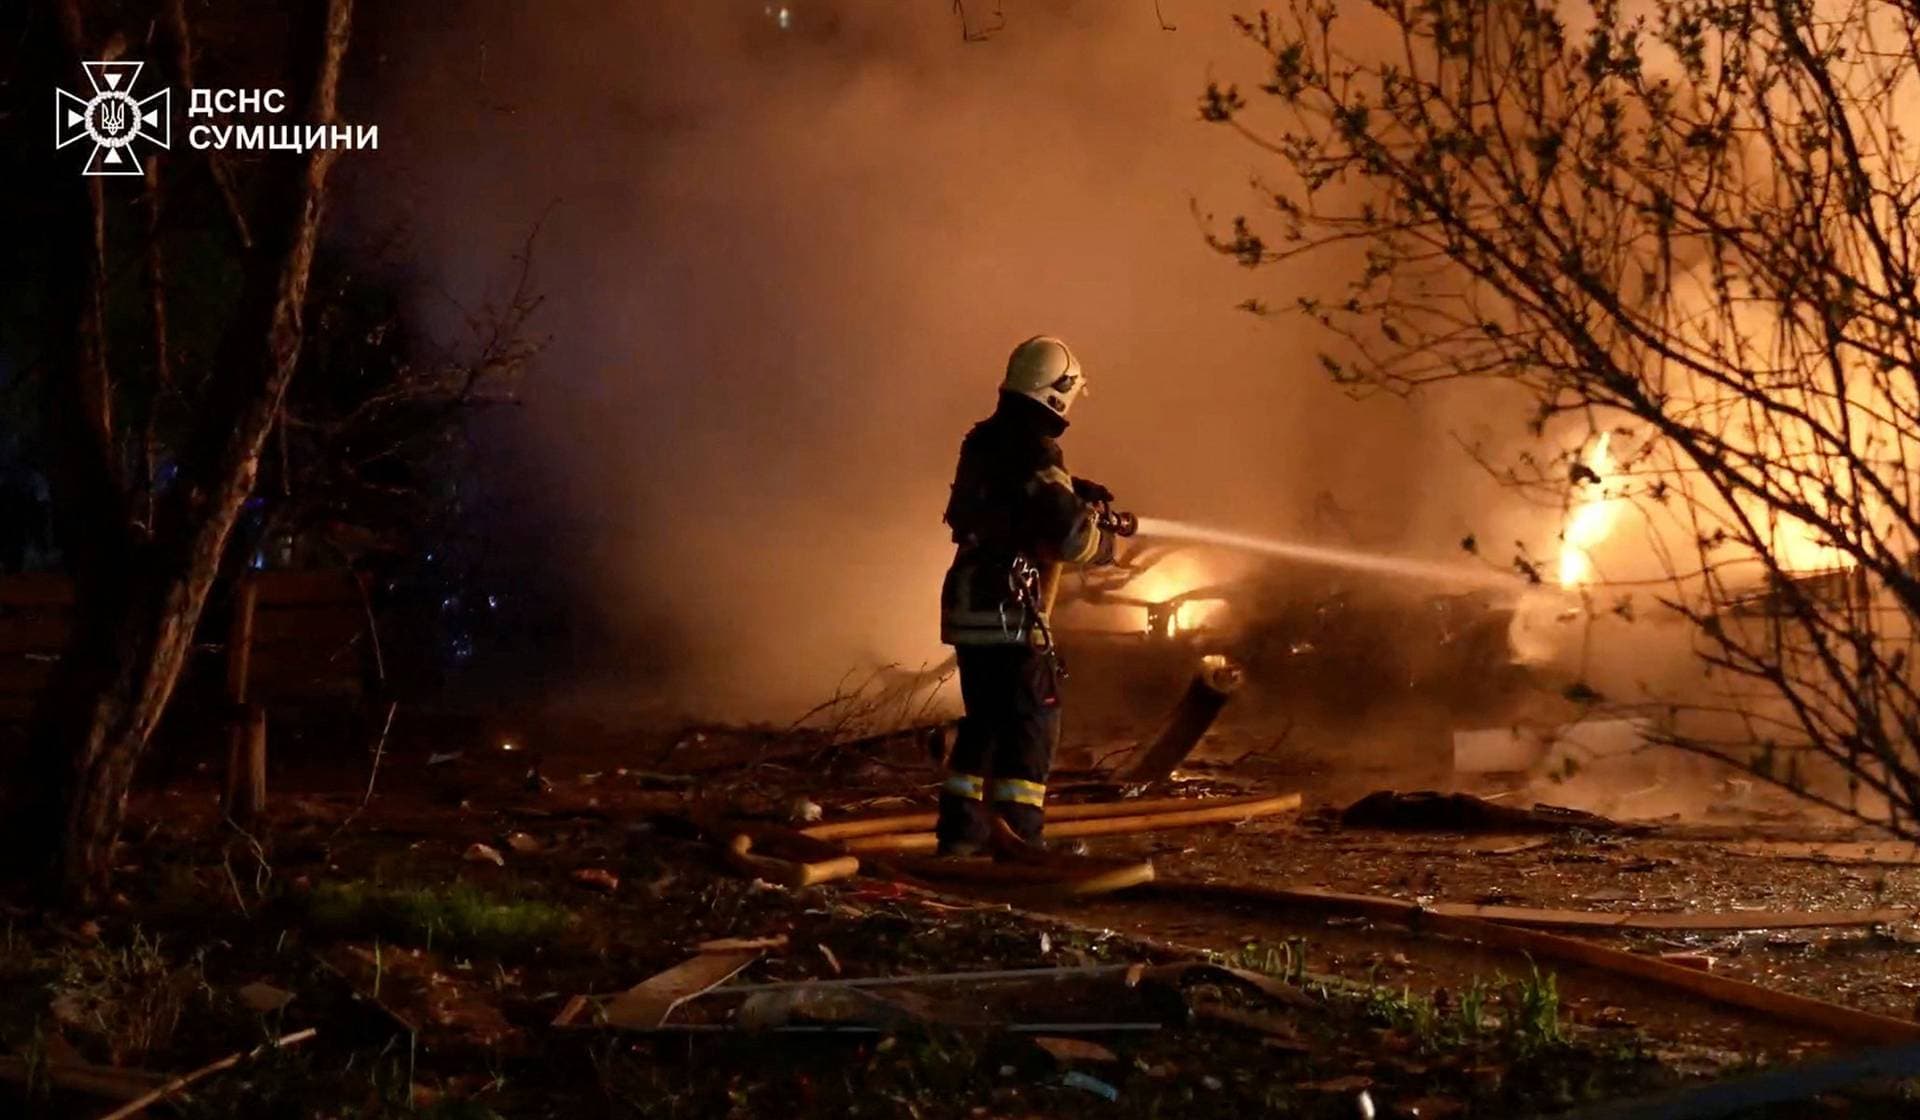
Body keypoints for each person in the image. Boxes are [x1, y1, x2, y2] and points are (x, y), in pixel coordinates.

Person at [937, 335, 1123, 856]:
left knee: (984, 725)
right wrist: (1103, 542)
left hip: (970, 602)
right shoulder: (1036, 449)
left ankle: (962, 839)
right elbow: (1069, 537)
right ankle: (1020, 842)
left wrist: (1070, 488)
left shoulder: (986, 440)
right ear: (1057, 392)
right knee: (1031, 724)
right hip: (1009, 609)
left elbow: (1014, 500)